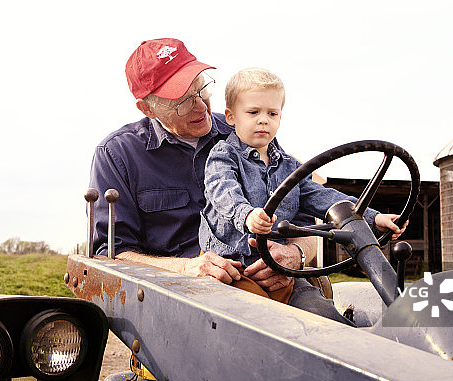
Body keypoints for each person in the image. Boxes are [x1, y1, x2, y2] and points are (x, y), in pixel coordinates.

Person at [88, 38, 318, 293]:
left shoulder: (246, 131)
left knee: (327, 323)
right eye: (182, 101)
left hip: (271, 278)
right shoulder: (117, 155)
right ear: (147, 109)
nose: (200, 107)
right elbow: (112, 252)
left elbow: (305, 219)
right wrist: (187, 269)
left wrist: (295, 254)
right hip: (180, 293)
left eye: (201, 89)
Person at [199, 67, 405, 321]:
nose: (264, 119)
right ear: (231, 117)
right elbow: (222, 190)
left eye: (272, 113)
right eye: (253, 112)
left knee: (323, 317)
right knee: (262, 322)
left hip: (281, 274)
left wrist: (373, 217)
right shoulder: (223, 155)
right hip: (234, 270)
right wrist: (247, 215)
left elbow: (323, 197)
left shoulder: (290, 167)